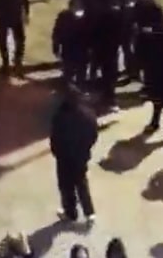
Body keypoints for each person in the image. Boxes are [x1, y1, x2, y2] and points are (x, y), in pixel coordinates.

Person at [49, 87, 98, 225]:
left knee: (66, 185)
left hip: (64, 157)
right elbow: (93, 134)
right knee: (81, 183)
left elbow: (55, 137)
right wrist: (86, 148)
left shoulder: (60, 116)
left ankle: (71, 213)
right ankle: (89, 213)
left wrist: (56, 152)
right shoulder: (88, 113)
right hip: (81, 156)